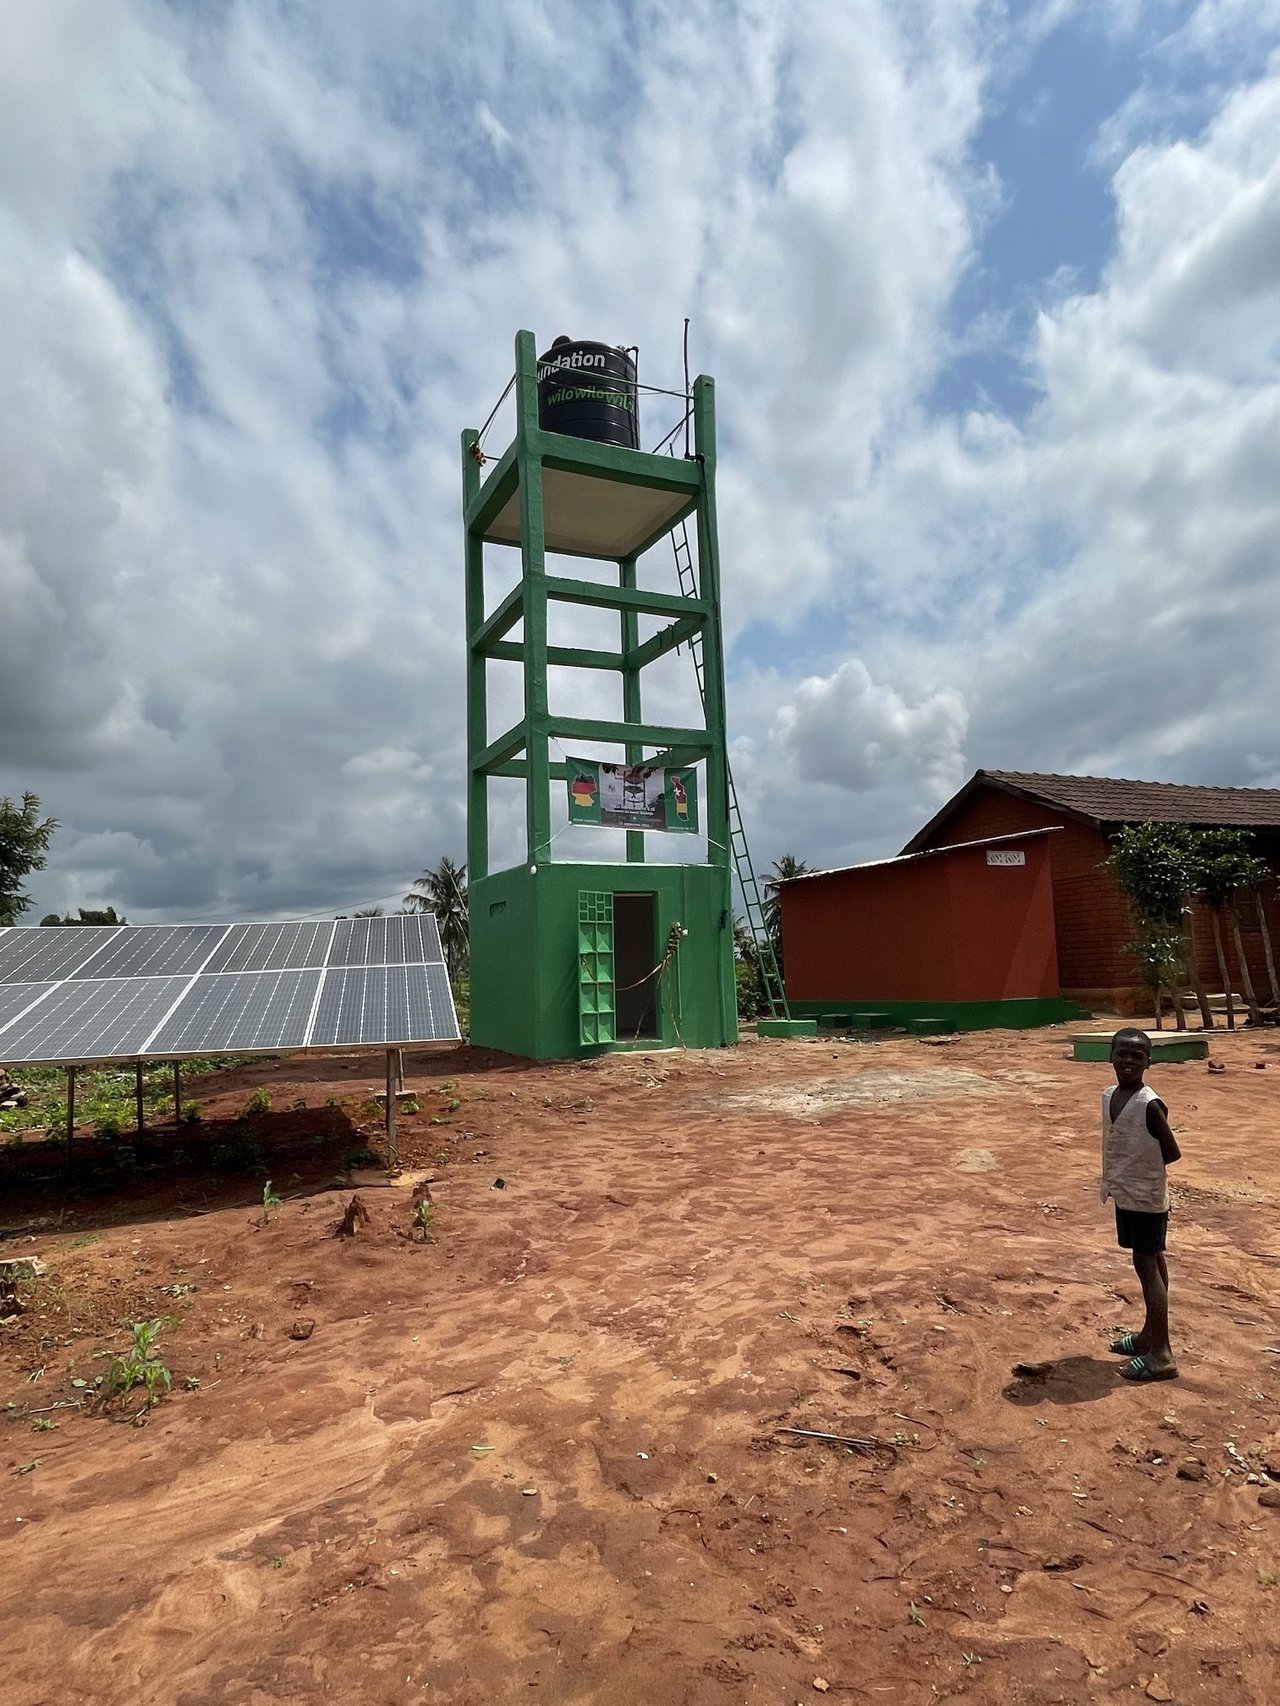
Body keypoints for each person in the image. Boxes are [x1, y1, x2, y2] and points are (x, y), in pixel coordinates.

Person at [1101, 1027, 1182, 1381]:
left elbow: (1171, 1151)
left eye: (1137, 1055)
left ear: (1149, 1061)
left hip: (1146, 1196)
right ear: (1111, 1056)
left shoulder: (1149, 1103)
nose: (1128, 1061)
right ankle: (1150, 1336)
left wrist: (1144, 1173)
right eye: (1122, 1053)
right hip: (1126, 1193)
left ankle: (1162, 1353)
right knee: (1149, 1259)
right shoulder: (1109, 1095)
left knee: (1147, 1265)